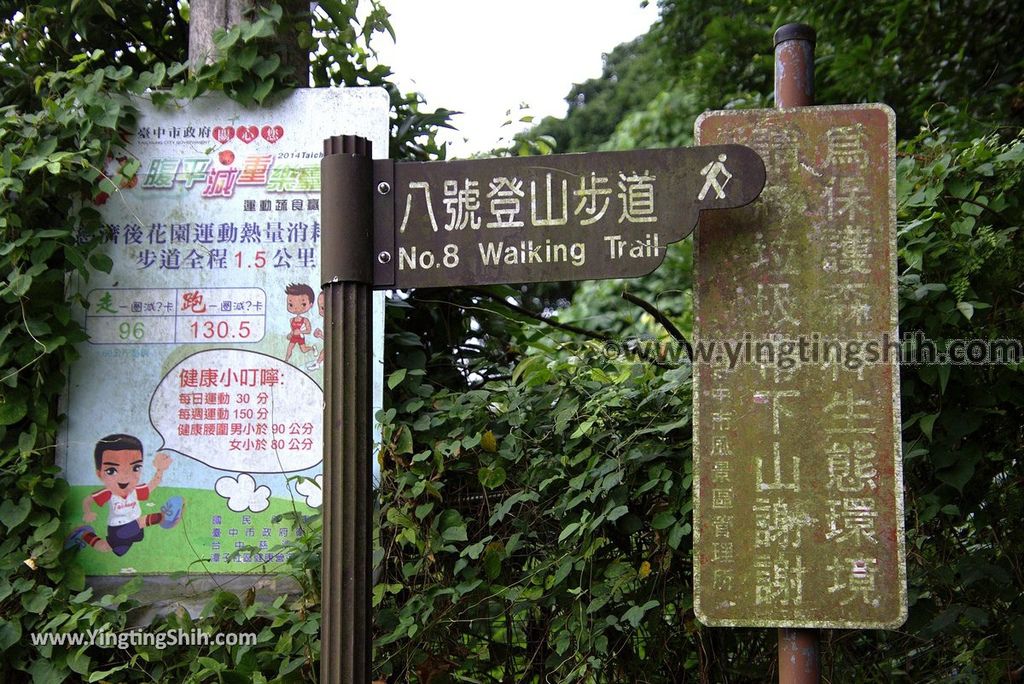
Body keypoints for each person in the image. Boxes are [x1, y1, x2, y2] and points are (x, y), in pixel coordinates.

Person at [66, 434, 183, 556]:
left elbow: (151, 486)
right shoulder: (108, 493)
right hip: (119, 528)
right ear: (100, 473)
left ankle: (84, 534)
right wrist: (87, 512)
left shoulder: (134, 490)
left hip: (134, 529)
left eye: (135, 468)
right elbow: (88, 500)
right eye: (111, 470)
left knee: (107, 548)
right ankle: (161, 517)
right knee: (139, 523)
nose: (125, 477)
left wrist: (160, 470)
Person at [284, 282, 316, 362]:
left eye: (303, 304)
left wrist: (301, 331)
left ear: (311, 304)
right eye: (291, 304)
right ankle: (286, 361)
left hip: (300, 337)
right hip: (294, 337)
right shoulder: (291, 320)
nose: (296, 308)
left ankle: (312, 348)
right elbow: (292, 330)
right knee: (289, 349)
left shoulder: (305, 320)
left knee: (304, 350)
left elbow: (308, 331)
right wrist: (290, 334)